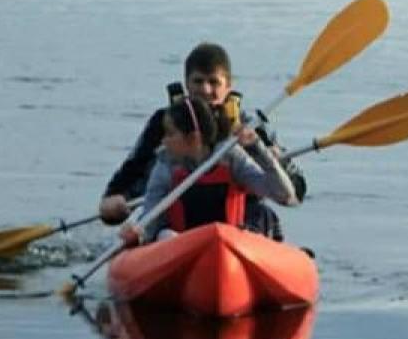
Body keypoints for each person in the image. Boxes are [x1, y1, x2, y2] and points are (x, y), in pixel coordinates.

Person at [99, 42, 306, 240]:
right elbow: (133, 170)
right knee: (153, 228)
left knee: (262, 214)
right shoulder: (165, 131)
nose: (206, 90)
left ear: (228, 85)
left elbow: (294, 193)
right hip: (176, 215)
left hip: (239, 220)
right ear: (187, 84)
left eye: (214, 82)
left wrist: (271, 157)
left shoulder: (249, 128)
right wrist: (117, 199)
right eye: (198, 82)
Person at [121, 95, 299, 246]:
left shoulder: (231, 157)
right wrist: (138, 233)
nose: (163, 142)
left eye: (170, 134)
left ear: (193, 138)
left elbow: (285, 196)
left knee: (257, 220)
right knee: (164, 234)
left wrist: (258, 148)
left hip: (229, 246)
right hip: (181, 247)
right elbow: (150, 217)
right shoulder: (165, 165)